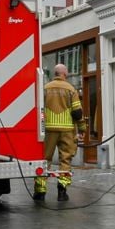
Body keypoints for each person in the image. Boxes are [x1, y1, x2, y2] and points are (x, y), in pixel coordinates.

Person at [34, 64, 86, 202]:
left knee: (44, 159)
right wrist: (82, 129)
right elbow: (77, 112)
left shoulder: (45, 88)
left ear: (55, 73)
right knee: (65, 160)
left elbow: (38, 108)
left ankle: (40, 191)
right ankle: (62, 191)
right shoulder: (71, 89)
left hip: (48, 130)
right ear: (64, 74)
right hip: (67, 130)